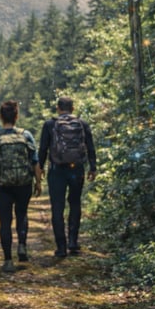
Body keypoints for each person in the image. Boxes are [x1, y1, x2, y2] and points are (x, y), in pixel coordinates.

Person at [0, 101, 41, 273]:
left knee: (5, 221)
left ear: (1, 117)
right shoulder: (26, 135)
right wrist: (38, 182)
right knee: (22, 214)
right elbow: (35, 162)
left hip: (3, 185)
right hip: (24, 183)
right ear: (17, 116)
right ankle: (22, 245)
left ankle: (8, 260)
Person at [37, 96, 97, 258]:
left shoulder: (50, 124)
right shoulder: (82, 124)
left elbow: (43, 149)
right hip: (77, 169)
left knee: (57, 206)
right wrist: (93, 167)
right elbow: (90, 146)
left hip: (57, 170)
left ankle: (61, 247)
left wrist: (40, 167)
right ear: (73, 108)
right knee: (75, 203)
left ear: (58, 108)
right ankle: (73, 242)